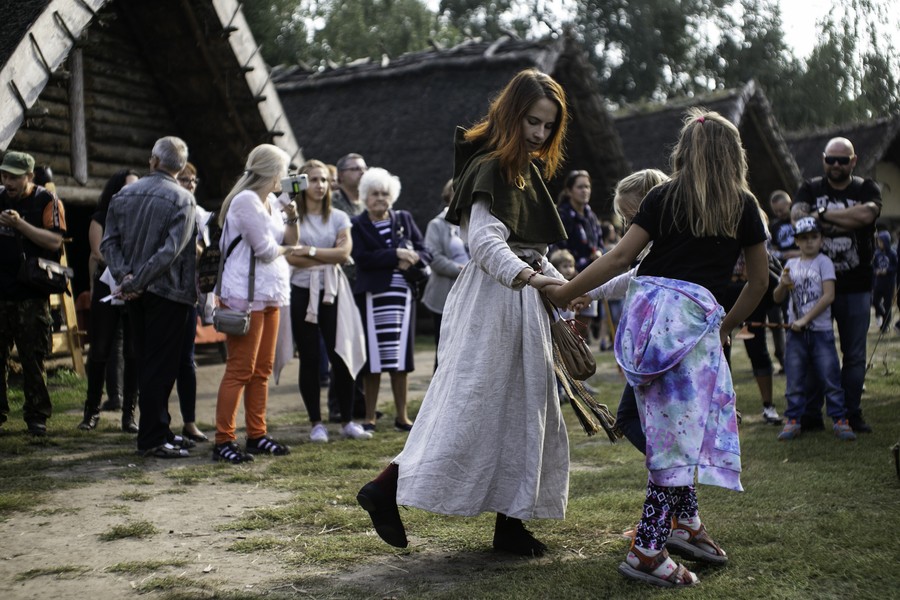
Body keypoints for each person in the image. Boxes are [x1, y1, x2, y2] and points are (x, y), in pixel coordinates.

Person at [549, 108, 769, 587]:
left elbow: (622, 256)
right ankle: (647, 551)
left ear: (683, 152)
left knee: (673, 434)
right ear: (735, 156)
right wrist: (727, 326)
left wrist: (566, 291)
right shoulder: (743, 205)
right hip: (692, 331)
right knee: (675, 440)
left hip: (649, 326)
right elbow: (758, 281)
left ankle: (685, 524)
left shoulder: (663, 196)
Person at [356, 68, 570, 557]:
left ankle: (510, 524)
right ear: (511, 115)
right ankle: (385, 487)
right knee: (468, 406)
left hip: (522, 298)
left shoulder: (522, 169)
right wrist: (534, 279)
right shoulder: (491, 165)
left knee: (525, 409)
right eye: (532, 122)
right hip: (492, 302)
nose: (538, 134)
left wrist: (557, 284)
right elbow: (483, 243)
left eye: (546, 127)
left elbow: (525, 250)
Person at [102, 136, 198, 458]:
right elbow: (170, 252)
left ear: (152, 160)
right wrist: (137, 280)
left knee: (147, 362)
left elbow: (108, 243)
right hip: (168, 291)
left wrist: (125, 277)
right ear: (181, 167)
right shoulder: (183, 200)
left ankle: (160, 427)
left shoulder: (123, 194)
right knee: (161, 366)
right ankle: (153, 438)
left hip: (135, 292)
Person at [212, 144, 299, 463]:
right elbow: (266, 250)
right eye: (283, 171)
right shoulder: (246, 200)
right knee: (240, 369)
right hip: (245, 295)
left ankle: (257, 434)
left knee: (261, 369)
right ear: (273, 172)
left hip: (271, 292)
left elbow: (291, 240)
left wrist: (293, 215)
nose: (285, 178)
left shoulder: (273, 203)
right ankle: (224, 439)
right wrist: (288, 251)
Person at [793, 137, 881, 433]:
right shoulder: (810, 187)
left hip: (856, 284)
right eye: (831, 159)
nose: (836, 165)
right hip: (814, 288)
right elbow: (797, 217)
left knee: (854, 355)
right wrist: (849, 221)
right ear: (823, 159)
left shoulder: (866, 187)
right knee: (814, 350)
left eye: (843, 160)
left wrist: (819, 218)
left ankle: (850, 413)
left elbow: (868, 214)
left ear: (853, 161)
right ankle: (810, 414)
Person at [285, 159, 369, 443]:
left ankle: (347, 420)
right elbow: (288, 255)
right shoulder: (293, 215)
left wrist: (307, 251)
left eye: (323, 180)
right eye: (313, 179)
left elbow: (344, 254)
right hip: (301, 290)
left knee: (341, 355)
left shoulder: (338, 217)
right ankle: (315, 423)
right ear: (301, 183)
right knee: (309, 358)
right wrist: (322, 252)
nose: (319, 185)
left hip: (334, 289)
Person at [584, 168, 669, 452]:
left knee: (629, 417)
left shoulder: (663, 247)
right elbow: (632, 276)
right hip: (659, 343)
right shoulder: (663, 246)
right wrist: (588, 292)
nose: (629, 226)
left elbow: (622, 265)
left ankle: (670, 468)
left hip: (659, 344)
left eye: (632, 218)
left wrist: (580, 291)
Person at [350, 167, 430, 433]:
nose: (380, 198)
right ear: (364, 196)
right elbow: (361, 258)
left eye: (385, 193)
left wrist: (414, 258)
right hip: (372, 298)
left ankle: (402, 416)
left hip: (402, 298)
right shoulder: (358, 224)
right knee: (373, 360)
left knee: (401, 360)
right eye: (374, 194)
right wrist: (395, 255)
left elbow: (424, 251)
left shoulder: (404, 219)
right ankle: (370, 417)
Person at [0, 151, 67, 437]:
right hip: (1, 292)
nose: (8, 182)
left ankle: (37, 416)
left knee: (33, 357)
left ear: (29, 177)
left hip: (31, 292)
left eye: (14, 177)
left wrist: (20, 225)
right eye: (4, 176)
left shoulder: (46, 200)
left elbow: (54, 241)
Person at [772, 217, 856, 442]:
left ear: (821, 239)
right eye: (804, 238)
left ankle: (840, 419)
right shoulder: (791, 265)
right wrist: (782, 283)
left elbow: (829, 296)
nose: (809, 242)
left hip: (820, 332)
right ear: (797, 241)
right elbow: (777, 297)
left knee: (830, 377)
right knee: (795, 379)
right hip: (795, 334)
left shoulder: (824, 262)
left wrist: (806, 319)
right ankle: (793, 420)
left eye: (814, 237)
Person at [78, 169, 140, 432]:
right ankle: (91, 412)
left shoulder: (141, 218)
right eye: (128, 188)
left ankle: (129, 415)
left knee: (134, 352)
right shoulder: (101, 217)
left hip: (135, 284)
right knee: (100, 350)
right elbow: (99, 251)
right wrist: (121, 273)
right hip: (107, 283)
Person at [174, 162, 208, 442]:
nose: (191, 184)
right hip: (164, 291)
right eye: (185, 179)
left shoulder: (199, 214)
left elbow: (204, 253)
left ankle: (190, 422)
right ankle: (157, 421)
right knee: (161, 361)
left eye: (194, 180)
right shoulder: (168, 207)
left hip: (190, 294)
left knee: (187, 360)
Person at [422, 178, 470, 371]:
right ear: (447, 196)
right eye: (455, 192)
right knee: (443, 349)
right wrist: (461, 270)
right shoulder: (437, 224)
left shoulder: (475, 223)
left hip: (471, 294)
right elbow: (433, 257)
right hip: (444, 294)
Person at [552, 170, 602, 344]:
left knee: (583, 327)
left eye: (587, 187)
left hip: (591, 277)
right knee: (565, 324)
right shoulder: (561, 215)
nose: (585, 191)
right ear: (569, 191)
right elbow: (555, 246)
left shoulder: (591, 217)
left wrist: (600, 254)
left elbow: (599, 242)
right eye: (580, 187)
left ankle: (577, 356)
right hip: (567, 278)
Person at [872, 230, 896, 333]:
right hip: (879, 283)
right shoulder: (877, 254)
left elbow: (895, 267)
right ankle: (882, 314)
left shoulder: (892, 254)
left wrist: (887, 271)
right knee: (875, 301)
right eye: (878, 241)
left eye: (881, 241)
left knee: (887, 305)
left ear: (886, 242)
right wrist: (876, 271)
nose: (879, 243)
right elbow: (873, 265)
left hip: (889, 283)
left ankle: (885, 326)